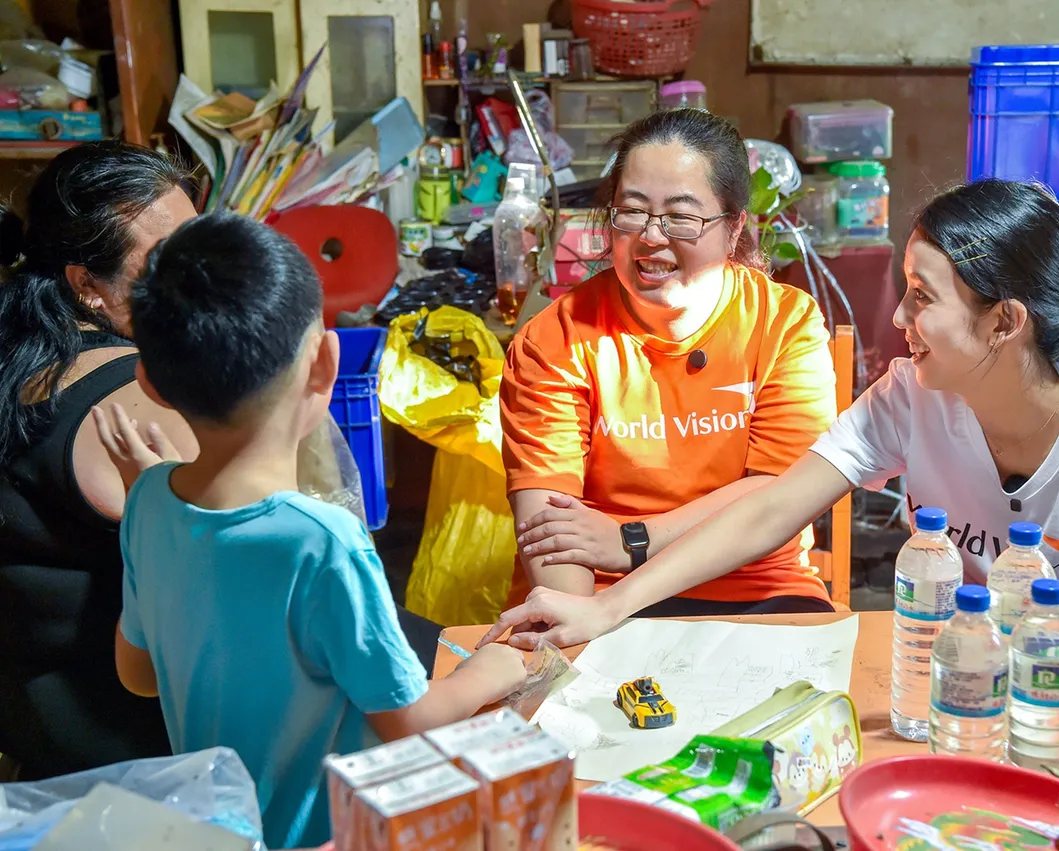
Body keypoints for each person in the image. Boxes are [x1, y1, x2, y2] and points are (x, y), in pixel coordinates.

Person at [482, 179, 1059, 650]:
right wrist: (612, 610)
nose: (898, 316)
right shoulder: (914, 395)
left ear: (1004, 322)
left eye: (923, 296)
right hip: (967, 676)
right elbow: (775, 506)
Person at [112, 212, 526, 849]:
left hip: (229, 829)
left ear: (152, 383)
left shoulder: (146, 501)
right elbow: (407, 721)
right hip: (334, 835)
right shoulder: (324, 539)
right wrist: (495, 668)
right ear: (325, 364)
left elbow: (136, 674)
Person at [500, 108, 838, 618]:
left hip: (757, 584)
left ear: (733, 228)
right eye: (632, 210)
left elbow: (781, 496)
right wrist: (576, 619)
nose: (652, 237)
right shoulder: (554, 341)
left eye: (681, 216)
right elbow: (551, 531)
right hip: (600, 590)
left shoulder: (784, 323)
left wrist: (631, 538)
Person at [0, 141, 200, 778]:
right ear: (87, 285)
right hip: (134, 748)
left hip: (34, 726)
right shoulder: (132, 396)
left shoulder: (22, 357)